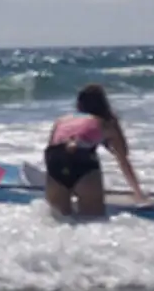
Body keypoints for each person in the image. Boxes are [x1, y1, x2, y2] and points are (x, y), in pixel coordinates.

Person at [44, 83, 146, 217]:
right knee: (93, 222)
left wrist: (67, 184)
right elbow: (123, 160)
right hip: (82, 160)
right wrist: (138, 193)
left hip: (55, 161)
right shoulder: (106, 123)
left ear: (79, 103)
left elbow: (50, 151)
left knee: (59, 220)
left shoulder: (61, 120)